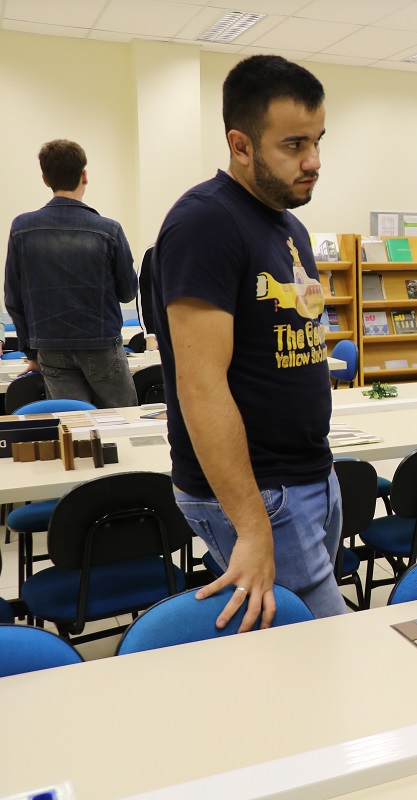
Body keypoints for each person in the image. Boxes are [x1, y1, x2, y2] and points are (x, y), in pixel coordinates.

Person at [150, 55, 345, 630]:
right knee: (324, 649)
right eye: (293, 145)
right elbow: (201, 387)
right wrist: (254, 526)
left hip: (306, 477)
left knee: (287, 653)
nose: (313, 161)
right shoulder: (205, 223)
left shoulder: (287, 222)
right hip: (263, 493)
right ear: (241, 145)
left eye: (317, 141)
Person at [3, 139, 138, 408]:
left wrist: (31, 353)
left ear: (44, 178)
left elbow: (13, 299)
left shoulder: (22, 228)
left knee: (74, 429)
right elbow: (128, 292)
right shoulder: (109, 230)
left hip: (51, 349)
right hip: (102, 347)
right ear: (84, 175)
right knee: (122, 422)